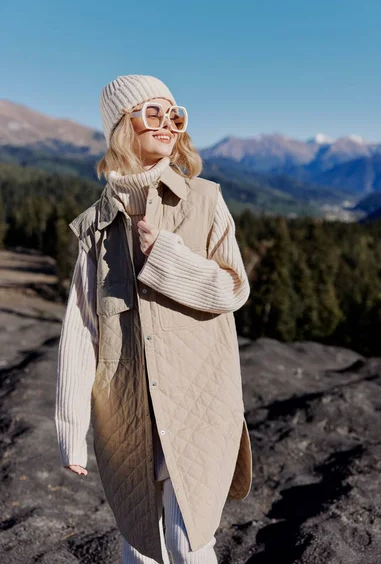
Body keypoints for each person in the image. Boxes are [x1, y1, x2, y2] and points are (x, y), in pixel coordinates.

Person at [55, 74, 253, 564]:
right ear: (124, 126)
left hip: (198, 404)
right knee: (141, 547)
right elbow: (81, 328)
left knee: (191, 544)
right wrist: (71, 426)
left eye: (175, 114)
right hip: (126, 412)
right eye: (153, 113)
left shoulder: (205, 200)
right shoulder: (96, 225)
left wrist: (165, 257)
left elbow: (234, 289)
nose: (168, 123)